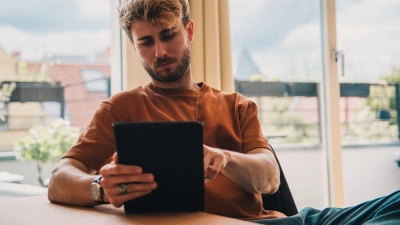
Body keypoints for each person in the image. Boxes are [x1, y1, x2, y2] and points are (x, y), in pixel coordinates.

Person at [48, 0, 400, 224]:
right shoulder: (120, 108)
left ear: (189, 31)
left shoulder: (237, 105)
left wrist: (223, 159)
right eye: (146, 42)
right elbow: (60, 179)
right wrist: (99, 188)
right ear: (134, 46)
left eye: (168, 35)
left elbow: (269, 176)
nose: (160, 52)